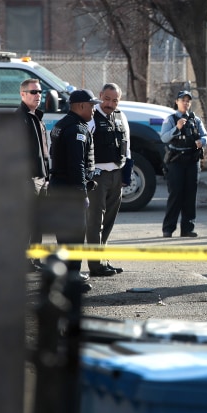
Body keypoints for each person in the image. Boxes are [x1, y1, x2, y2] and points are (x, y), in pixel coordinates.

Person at [48, 89, 99, 292]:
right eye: (91, 105)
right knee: (74, 235)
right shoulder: (76, 129)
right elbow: (76, 164)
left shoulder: (62, 124)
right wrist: (82, 192)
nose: (94, 109)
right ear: (80, 106)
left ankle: (66, 276)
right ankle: (72, 278)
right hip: (70, 191)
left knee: (65, 236)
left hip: (60, 188)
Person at [85, 83, 130, 276]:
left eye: (114, 100)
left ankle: (103, 258)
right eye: (107, 99)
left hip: (116, 175)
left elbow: (127, 146)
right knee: (96, 220)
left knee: (109, 220)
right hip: (98, 175)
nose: (110, 104)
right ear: (100, 95)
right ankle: (95, 264)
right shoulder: (90, 118)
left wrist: (125, 174)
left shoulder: (120, 116)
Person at [161, 90, 207, 238]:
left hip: (192, 160)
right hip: (176, 161)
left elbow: (204, 135)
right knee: (175, 194)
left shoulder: (195, 119)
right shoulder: (170, 119)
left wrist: (202, 141)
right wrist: (177, 128)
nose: (185, 103)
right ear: (177, 102)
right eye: (183, 100)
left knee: (190, 195)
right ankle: (168, 228)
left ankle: (188, 228)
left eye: (188, 101)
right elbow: (164, 137)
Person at [17, 78, 50, 272]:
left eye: (39, 92)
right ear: (23, 94)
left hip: (42, 178)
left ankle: (34, 260)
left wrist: (46, 176)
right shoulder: (19, 118)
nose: (38, 95)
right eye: (33, 92)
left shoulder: (36, 116)